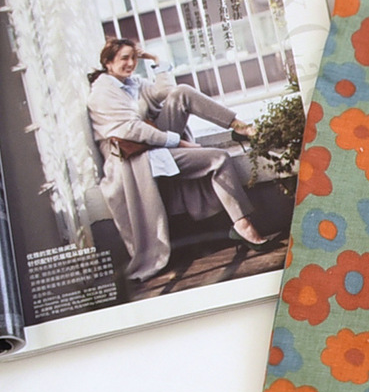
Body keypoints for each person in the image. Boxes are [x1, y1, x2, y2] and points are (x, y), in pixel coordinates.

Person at [84, 39, 276, 283]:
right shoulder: (103, 92)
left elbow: (165, 93)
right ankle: (243, 226)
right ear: (108, 62)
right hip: (132, 156)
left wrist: (156, 61)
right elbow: (132, 130)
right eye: (124, 58)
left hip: (151, 142)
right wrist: (179, 142)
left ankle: (239, 126)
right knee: (218, 157)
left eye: (133, 57)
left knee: (182, 92)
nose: (131, 63)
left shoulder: (132, 83)